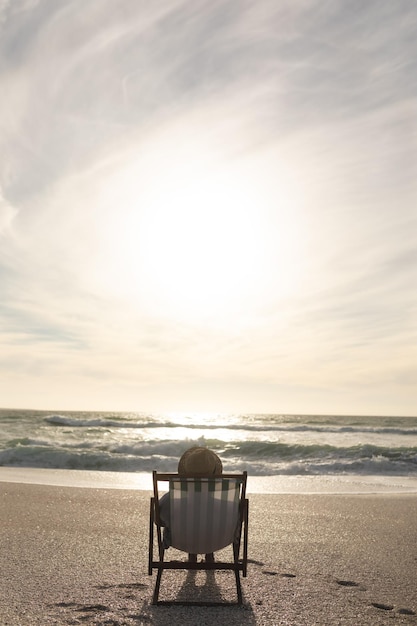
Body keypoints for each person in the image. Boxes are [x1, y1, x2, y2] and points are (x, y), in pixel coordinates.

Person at [158, 446, 223, 563]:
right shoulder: (224, 499)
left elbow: (159, 519)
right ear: (215, 472)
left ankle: (192, 553)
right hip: (219, 539)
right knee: (208, 519)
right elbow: (238, 518)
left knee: (189, 517)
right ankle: (209, 553)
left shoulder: (172, 498)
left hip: (181, 538)